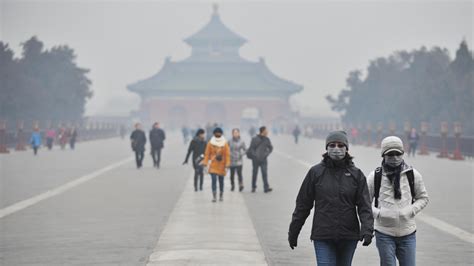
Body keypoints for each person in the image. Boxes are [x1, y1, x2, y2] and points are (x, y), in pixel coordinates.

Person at [288, 131, 374, 265]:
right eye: (332, 145)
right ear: (326, 148)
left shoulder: (356, 175)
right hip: (323, 235)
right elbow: (303, 205)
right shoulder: (315, 173)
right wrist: (294, 231)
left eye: (340, 145)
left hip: (348, 236)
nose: (336, 149)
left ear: (346, 149)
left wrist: (367, 229)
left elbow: (364, 205)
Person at [367, 136, 429, 266]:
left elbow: (423, 198)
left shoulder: (413, 174)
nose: (394, 158)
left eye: (398, 154)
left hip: (408, 232)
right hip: (384, 232)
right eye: (390, 154)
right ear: (383, 155)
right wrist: (379, 213)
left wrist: (411, 210)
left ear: (402, 153)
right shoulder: (375, 176)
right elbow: (364, 202)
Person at [202, 127, 230, 202]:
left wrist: (227, 164)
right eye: (216, 133)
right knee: (214, 180)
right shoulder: (210, 143)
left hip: (222, 164)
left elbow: (227, 155)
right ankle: (214, 196)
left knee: (221, 180)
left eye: (219, 133)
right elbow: (207, 154)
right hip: (213, 164)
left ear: (221, 134)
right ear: (214, 134)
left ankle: (221, 194)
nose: (218, 135)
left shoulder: (225, 143)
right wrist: (205, 163)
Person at [248, 126, 273, 193]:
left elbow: (270, 148)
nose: (267, 132)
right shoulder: (254, 139)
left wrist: (266, 154)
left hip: (263, 159)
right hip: (255, 160)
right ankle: (253, 187)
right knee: (254, 173)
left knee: (264, 173)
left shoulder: (267, 139)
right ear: (263, 131)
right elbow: (251, 148)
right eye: (266, 130)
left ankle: (266, 187)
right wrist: (254, 155)